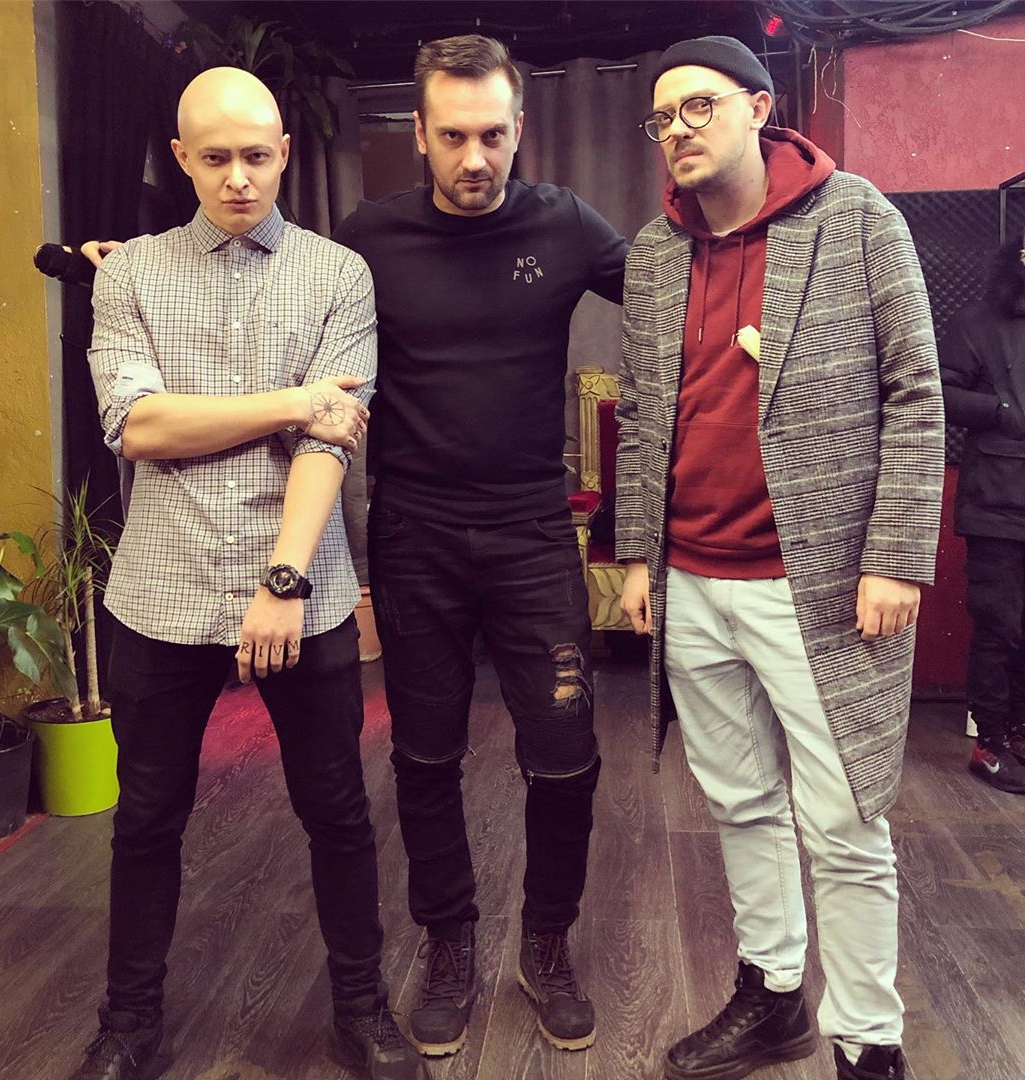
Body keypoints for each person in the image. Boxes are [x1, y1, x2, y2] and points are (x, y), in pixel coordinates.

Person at [74, 67, 428, 1080]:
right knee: (147, 819)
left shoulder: (338, 275)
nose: (239, 178)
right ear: (182, 159)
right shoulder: (130, 275)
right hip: (161, 591)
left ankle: (361, 1011)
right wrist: (292, 400)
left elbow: (331, 442)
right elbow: (138, 426)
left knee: (338, 812)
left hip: (299, 588)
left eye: (258, 157)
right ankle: (128, 1026)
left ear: (285, 154)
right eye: (217, 158)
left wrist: (281, 581)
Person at [616, 36, 943, 1080]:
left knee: (845, 822)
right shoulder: (654, 252)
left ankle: (868, 1042)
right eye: (662, 118)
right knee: (740, 801)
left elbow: (915, 390)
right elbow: (642, 417)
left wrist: (898, 555)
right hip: (691, 579)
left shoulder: (857, 219)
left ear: (759, 108)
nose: (678, 130)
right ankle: (772, 996)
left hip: (822, 583)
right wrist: (637, 559)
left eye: (698, 107)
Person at [332, 34, 628, 1059]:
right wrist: (136, 264)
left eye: (493, 135)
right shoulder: (368, 237)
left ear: (519, 130)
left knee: (567, 753)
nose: (474, 157)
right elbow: (270, 294)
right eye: (453, 136)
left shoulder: (565, 223)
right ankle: (449, 943)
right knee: (425, 754)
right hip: (414, 530)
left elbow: (682, 288)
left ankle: (547, 943)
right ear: (419, 133)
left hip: (532, 529)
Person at [941, 233, 1025, 794]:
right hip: (996, 505)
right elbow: (940, 393)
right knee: (1000, 626)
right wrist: (1001, 411)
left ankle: (1018, 734)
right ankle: (990, 743)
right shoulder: (976, 322)